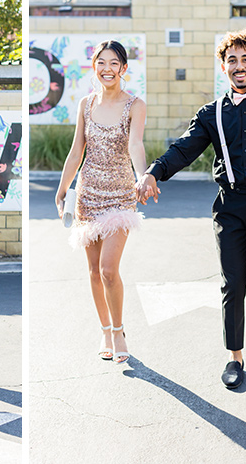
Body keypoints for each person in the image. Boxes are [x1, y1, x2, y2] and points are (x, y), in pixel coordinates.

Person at [137, 29, 246, 389]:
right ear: (223, 67)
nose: (239, 66)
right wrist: (154, 172)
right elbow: (184, 149)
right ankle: (235, 357)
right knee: (232, 282)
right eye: (231, 60)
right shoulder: (211, 114)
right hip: (228, 205)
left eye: (245, 59)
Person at [54, 40, 148, 365]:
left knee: (109, 269)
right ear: (94, 66)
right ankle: (105, 330)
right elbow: (76, 150)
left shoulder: (135, 105)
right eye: (101, 63)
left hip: (121, 196)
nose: (107, 69)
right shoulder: (86, 103)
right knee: (94, 272)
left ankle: (119, 330)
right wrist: (63, 188)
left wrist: (142, 175)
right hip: (89, 195)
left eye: (114, 63)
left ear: (124, 68)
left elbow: (136, 144)